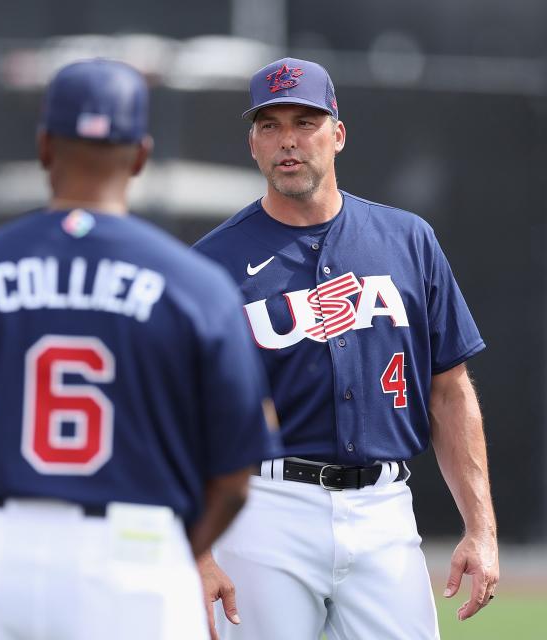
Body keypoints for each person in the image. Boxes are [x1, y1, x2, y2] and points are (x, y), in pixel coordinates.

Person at [0, 58, 281, 640]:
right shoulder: (193, 285)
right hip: (136, 549)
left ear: (44, 146)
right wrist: (177, 544)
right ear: (141, 155)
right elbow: (238, 466)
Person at [193, 57, 498, 639]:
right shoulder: (213, 263)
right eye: (270, 125)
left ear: (338, 133)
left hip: (384, 509)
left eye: (305, 122)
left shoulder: (408, 240)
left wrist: (480, 528)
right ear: (252, 145)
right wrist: (199, 550)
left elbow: (450, 391)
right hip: (265, 507)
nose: (288, 141)